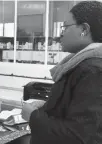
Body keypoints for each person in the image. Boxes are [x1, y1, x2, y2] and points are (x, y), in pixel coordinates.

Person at [21, 1, 102, 144]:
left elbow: (79, 136)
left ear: (84, 29)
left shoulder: (93, 70)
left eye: (65, 27)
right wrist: (48, 106)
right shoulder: (81, 64)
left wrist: (33, 117)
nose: (60, 34)